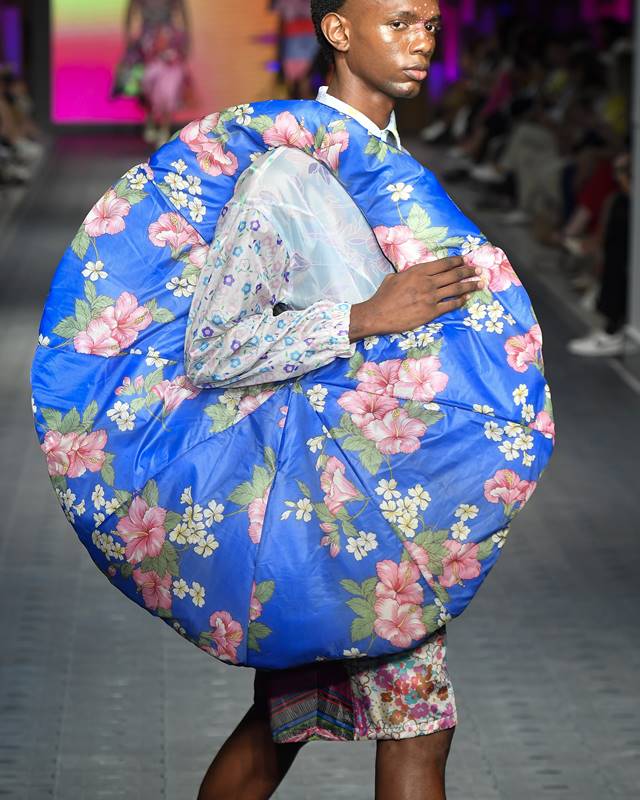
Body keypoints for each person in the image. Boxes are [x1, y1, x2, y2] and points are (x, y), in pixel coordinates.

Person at [189, 2, 487, 798]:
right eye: (399, 20)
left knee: (281, 723)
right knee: (420, 728)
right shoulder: (286, 173)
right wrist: (362, 317)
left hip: (382, 494)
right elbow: (212, 345)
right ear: (338, 31)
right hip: (341, 510)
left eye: (429, 21)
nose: (423, 38)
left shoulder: (386, 164)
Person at [123, 0, 191, 146]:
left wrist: (185, 42)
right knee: (147, 84)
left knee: (169, 86)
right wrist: (129, 41)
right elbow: (129, 14)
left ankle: (164, 129)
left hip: (168, 41)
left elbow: (184, 16)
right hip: (146, 43)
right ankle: (151, 121)